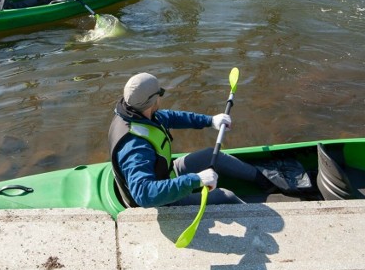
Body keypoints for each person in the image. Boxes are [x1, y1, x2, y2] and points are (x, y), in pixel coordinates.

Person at [108, 72, 275, 208]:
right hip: (159, 201)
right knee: (226, 196)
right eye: (161, 93)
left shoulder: (137, 112)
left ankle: (267, 182)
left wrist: (210, 121)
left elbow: (171, 117)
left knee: (210, 154)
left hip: (166, 174)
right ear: (152, 100)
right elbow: (144, 194)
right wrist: (196, 180)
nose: (162, 96)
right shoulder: (136, 147)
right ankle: (260, 219)